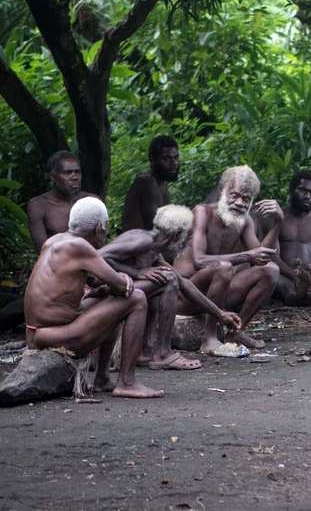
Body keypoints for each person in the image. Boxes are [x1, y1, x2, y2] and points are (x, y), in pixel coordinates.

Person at [24, 197, 164, 398]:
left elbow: (93, 281)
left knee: (109, 301)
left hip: (38, 333)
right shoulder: (80, 246)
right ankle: (127, 382)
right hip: (53, 335)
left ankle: (102, 379)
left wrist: (103, 289)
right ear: (100, 228)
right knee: (137, 298)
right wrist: (125, 277)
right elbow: (121, 287)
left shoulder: (53, 241)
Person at [99, 205, 242, 370]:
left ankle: (145, 351)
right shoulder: (142, 240)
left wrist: (220, 314)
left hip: (124, 298)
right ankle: (163, 354)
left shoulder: (154, 253)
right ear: (177, 235)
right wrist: (136, 272)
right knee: (168, 279)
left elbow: (185, 285)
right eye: (187, 238)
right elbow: (99, 257)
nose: (187, 243)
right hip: (104, 298)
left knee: (166, 278)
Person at [173, 166, 282, 353]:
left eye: (246, 199)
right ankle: (209, 338)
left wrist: (278, 223)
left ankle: (236, 331)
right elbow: (199, 261)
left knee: (271, 270)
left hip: (217, 293)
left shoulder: (245, 221)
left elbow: (261, 259)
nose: (239, 203)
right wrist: (245, 256)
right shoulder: (202, 212)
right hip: (186, 293)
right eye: (235, 195)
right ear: (223, 191)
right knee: (224, 267)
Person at [262, 170, 311, 307]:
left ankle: (310, 293)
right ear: (292, 190)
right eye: (303, 190)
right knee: (288, 290)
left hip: (306, 274)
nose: (307, 196)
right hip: (282, 273)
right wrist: (293, 276)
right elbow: (272, 255)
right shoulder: (276, 217)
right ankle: (300, 296)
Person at [27, 151, 99, 252]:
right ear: (53, 177)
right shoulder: (38, 205)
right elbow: (43, 251)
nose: (75, 177)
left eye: (77, 172)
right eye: (68, 172)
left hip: (93, 261)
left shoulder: (93, 202)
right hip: (57, 264)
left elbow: (100, 242)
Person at [121, 135, 180, 232]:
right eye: (167, 158)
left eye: (176, 157)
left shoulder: (163, 187)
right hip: (138, 245)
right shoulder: (147, 182)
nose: (174, 163)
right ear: (152, 159)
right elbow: (156, 227)